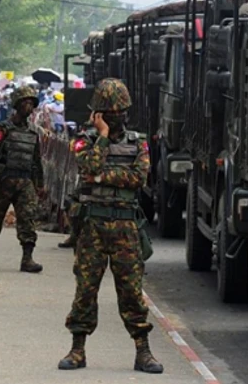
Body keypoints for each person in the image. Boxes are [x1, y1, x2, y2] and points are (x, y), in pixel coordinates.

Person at [57, 78, 163, 374]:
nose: (115, 117)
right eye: (108, 113)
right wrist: (102, 138)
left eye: (118, 112)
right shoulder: (85, 139)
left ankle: (143, 351)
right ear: (98, 115)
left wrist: (103, 177)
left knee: (131, 291)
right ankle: (77, 350)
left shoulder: (138, 142)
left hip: (125, 227)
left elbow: (138, 178)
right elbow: (87, 167)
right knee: (86, 290)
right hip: (92, 225)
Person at [0, 86, 45, 273]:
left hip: (25, 183)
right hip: (4, 182)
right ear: (16, 105)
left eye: (31, 103)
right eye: (25, 102)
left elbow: (36, 160)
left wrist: (40, 184)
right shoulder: (3, 129)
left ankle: (27, 258)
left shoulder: (33, 133)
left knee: (27, 219)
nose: (29, 106)